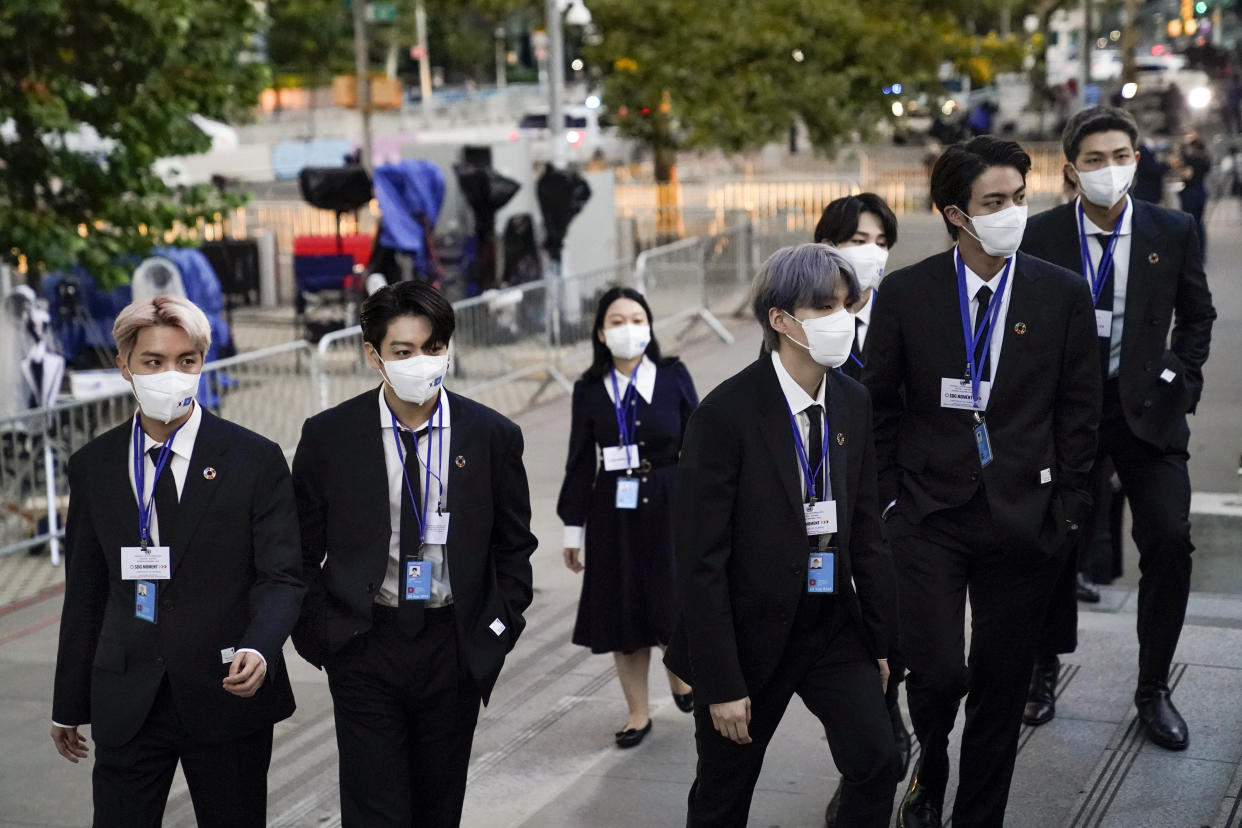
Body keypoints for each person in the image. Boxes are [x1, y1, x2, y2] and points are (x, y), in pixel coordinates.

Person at [864, 135, 1101, 827]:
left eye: (1019, 199)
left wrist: (1070, 510)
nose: (1012, 213)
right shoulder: (909, 293)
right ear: (955, 215)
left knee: (1001, 690)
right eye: (994, 202)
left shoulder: (1060, 294)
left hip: (1026, 519)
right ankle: (930, 760)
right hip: (930, 516)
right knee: (938, 674)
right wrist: (887, 502)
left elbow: (1080, 410)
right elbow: (880, 404)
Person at [666, 243, 901, 827]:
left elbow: (866, 529)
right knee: (723, 795)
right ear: (780, 320)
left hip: (832, 626)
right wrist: (720, 683)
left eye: (847, 304)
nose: (840, 318)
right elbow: (701, 560)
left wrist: (880, 640)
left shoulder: (853, 399)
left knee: (878, 760)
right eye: (823, 307)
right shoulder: (723, 415)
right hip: (746, 638)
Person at [50, 295, 304, 827]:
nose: (172, 374)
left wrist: (261, 647)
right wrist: (68, 702)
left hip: (226, 691)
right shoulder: (93, 466)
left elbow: (281, 576)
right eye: (154, 362)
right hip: (128, 697)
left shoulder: (253, 459)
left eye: (186, 361)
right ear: (125, 366)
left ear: (202, 365)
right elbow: (87, 591)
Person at [290, 281, 537, 827]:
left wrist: (499, 627)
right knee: (374, 806)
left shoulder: (492, 435)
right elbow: (299, 550)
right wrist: (322, 635)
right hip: (365, 641)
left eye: (433, 348)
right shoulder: (330, 437)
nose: (420, 362)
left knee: (438, 804)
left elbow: (514, 546)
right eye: (403, 352)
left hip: (452, 642)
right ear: (373, 355)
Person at [1019, 106, 1216, 749]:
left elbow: (1197, 314)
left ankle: (1153, 687)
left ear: (1138, 158)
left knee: (1169, 537)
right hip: (1064, 413)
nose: (1110, 170)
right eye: (1095, 160)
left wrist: (1179, 383)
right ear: (1073, 170)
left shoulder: (1172, 228)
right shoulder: (1040, 234)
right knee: (1050, 543)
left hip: (1145, 412)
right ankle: (1040, 670)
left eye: (1121, 156)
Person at [558, 287, 698, 748]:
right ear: (601, 333)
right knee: (624, 612)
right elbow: (580, 462)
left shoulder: (673, 376)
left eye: (637, 318)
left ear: (650, 325)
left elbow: (700, 448)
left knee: (674, 600)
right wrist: (572, 529)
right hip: (612, 510)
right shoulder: (589, 389)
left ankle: (679, 672)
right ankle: (638, 712)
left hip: (670, 502)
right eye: (616, 321)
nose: (628, 328)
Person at [811, 193, 912, 826]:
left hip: (897, 508)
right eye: (853, 239)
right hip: (826, 519)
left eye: (878, 240)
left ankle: (889, 730)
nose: (867, 252)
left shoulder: (906, 315)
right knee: (841, 651)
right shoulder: (807, 323)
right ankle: (867, 756)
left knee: (889, 629)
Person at [1176, 132, 1211, 259]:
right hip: (1201, 192)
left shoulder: (1191, 160)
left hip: (1190, 194)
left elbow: (1187, 176)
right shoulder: (1205, 159)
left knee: (1191, 223)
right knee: (1199, 223)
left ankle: (1193, 254)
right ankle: (1201, 253)